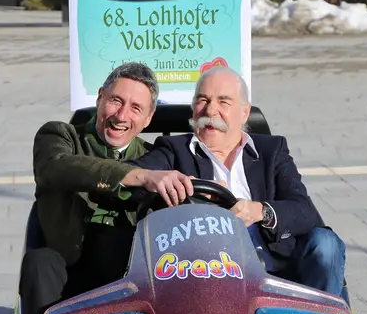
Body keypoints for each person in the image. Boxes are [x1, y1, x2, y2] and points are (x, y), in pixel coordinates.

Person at [129, 67, 347, 300]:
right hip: (208, 274)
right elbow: (130, 178)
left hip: (279, 271)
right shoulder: (175, 151)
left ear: (244, 113)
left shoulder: (270, 151)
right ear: (193, 108)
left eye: (224, 101)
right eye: (203, 100)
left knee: (326, 243)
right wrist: (161, 182)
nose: (211, 110)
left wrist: (260, 211)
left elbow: (304, 212)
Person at [23, 62, 194, 314]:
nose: (122, 115)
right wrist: (137, 176)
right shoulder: (60, 135)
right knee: (38, 262)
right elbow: (55, 167)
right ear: (100, 96)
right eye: (116, 101)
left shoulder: (156, 157)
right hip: (64, 264)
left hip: (122, 275)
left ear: (149, 118)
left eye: (136, 108)